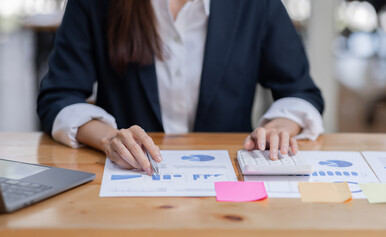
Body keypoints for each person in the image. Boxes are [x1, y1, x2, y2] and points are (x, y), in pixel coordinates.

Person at [37, 0, 324, 175]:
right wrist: (109, 138)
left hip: (228, 184)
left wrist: (280, 128)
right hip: (131, 177)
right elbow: (59, 96)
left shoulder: (256, 4)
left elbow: (300, 90)